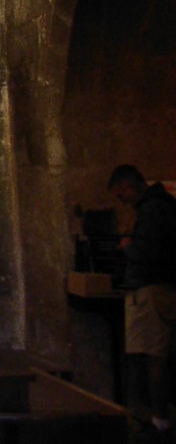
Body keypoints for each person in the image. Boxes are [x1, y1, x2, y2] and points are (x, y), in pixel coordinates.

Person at [108, 164, 176, 434]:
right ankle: (151, 414)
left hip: (151, 290)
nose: (121, 201)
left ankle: (156, 418)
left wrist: (128, 246)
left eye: (120, 195)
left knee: (151, 355)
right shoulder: (162, 206)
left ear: (128, 186)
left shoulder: (153, 209)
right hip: (154, 289)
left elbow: (150, 251)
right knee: (148, 354)